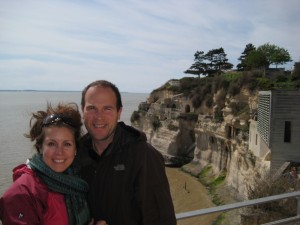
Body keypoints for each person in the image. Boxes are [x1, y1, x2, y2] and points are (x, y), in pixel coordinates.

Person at [75, 80, 177, 225]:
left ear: (119, 112)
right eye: (92, 108)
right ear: (82, 111)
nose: (99, 116)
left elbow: (161, 220)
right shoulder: (75, 155)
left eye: (107, 108)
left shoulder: (144, 156)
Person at [0, 103, 106, 225]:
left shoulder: (78, 182)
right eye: (51, 144)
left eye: (67, 144)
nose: (59, 152)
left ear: (75, 149)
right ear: (40, 147)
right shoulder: (22, 194)